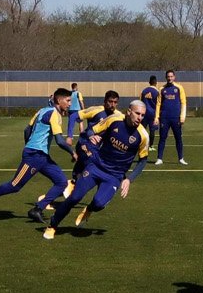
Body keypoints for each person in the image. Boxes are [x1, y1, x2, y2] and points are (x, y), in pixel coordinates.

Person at [44, 100, 152, 239]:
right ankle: (52, 225)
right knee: (74, 197)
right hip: (96, 167)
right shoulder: (113, 119)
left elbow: (143, 160)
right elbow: (90, 130)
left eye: (143, 115)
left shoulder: (143, 135)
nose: (140, 118)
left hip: (115, 176)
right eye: (137, 113)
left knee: (99, 204)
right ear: (129, 112)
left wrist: (129, 180)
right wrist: (92, 136)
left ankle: (89, 209)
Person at [0, 88, 73, 222]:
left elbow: (27, 129)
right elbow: (59, 141)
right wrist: (73, 152)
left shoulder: (42, 110)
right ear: (59, 100)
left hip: (42, 157)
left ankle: (37, 209)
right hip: (34, 155)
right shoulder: (54, 114)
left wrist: (28, 144)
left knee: (61, 182)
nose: (70, 104)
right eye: (68, 100)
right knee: (14, 186)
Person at [154, 69, 187, 165]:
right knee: (162, 138)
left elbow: (183, 102)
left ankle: (181, 158)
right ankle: (159, 158)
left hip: (176, 118)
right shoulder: (162, 89)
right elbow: (158, 104)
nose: (170, 78)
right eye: (168, 76)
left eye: (171, 76)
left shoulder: (179, 88)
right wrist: (156, 117)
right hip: (164, 118)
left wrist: (182, 116)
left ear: (174, 77)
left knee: (178, 138)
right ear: (166, 77)